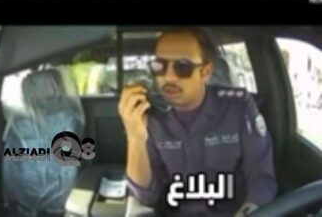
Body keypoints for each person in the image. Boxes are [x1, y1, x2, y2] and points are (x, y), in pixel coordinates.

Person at [118, 28, 277, 216]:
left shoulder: (238, 108)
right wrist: (135, 137)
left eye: (183, 67)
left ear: (206, 71)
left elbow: (262, 181)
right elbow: (146, 195)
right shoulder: (148, 115)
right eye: (160, 65)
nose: (169, 76)